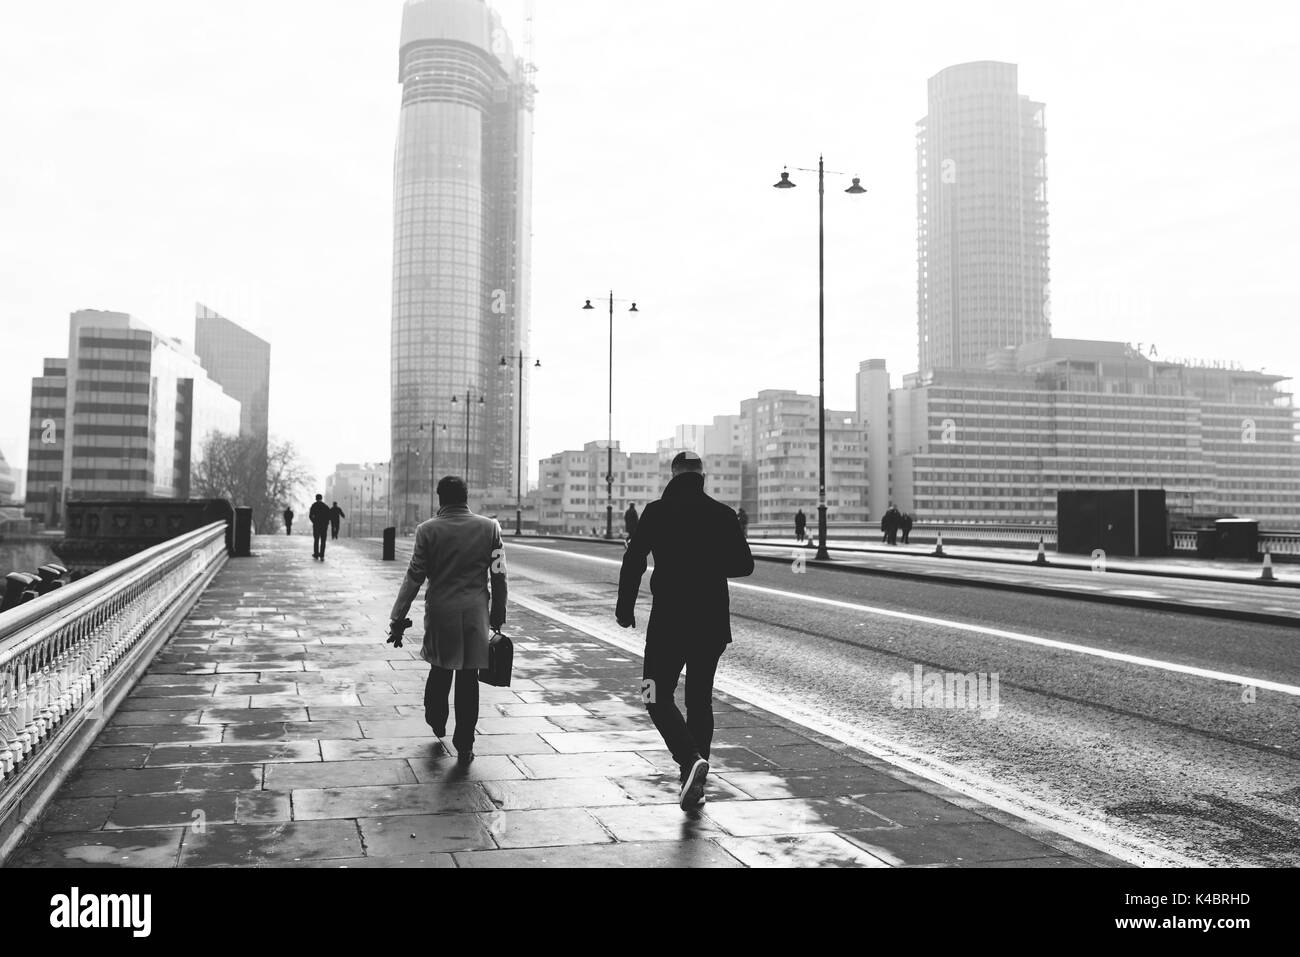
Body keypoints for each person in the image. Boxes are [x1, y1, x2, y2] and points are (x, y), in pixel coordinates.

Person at [617, 451, 754, 812]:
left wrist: (625, 605)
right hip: (711, 623)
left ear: (674, 474)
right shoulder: (722, 514)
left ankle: (688, 759)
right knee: (699, 700)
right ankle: (695, 779)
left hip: (669, 621)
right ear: (701, 476)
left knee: (652, 692)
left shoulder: (657, 512)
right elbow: (744, 564)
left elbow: (634, 559)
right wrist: (708, 561)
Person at [388, 475, 507, 763]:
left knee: (440, 671)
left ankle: (436, 719)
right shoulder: (489, 527)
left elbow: (414, 577)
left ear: (440, 499)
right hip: (476, 616)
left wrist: (397, 617)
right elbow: (499, 576)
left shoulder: (427, 531)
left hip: (441, 614)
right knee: (469, 680)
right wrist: (498, 615)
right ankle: (465, 742)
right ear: (466, 498)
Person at [309, 494, 331, 560]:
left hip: (316, 525)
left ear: (316, 498)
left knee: (316, 540)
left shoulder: (314, 506)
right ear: (321, 498)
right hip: (324, 526)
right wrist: (326, 523)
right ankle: (322, 555)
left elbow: (310, 516)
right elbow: (329, 516)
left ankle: (316, 554)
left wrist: (314, 521)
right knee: (323, 541)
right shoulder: (325, 506)